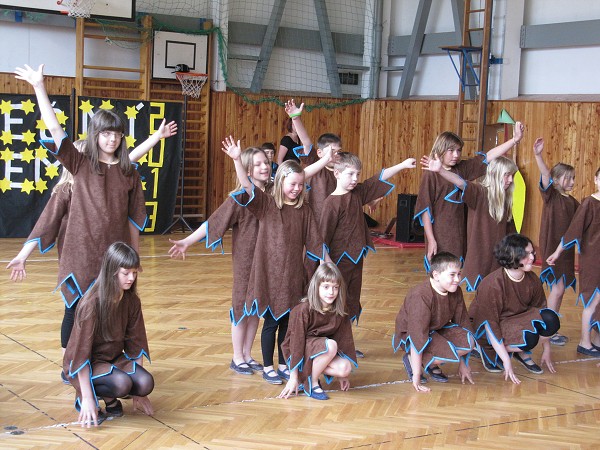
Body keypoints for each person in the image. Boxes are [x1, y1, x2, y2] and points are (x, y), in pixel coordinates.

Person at [13, 64, 147, 382]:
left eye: (117, 133)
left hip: (112, 259)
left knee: (107, 314)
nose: (112, 139)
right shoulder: (80, 165)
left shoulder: (128, 172)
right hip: (79, 256)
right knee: (75, 310)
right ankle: (69, 364)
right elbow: (57, 131)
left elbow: (133, 221)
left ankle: (98, 362)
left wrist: (134, 259)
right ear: (95, 135)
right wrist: (39, 86)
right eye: (105, 133)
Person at [7, 120, 177, 284]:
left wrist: (156, 137)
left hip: (109, 254)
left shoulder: (113, 175)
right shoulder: (67, 189)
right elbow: (46, 222)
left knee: (108, 303)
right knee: (76, 307)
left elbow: (129, 160)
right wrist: (23, 255)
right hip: (79, 257)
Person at [223, 136, 331, 385]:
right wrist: (238, 159)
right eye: (291, 184)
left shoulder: (304, 210)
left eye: (300, 185)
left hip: (293, 276)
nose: (296, 188)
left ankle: (283, 362)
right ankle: (268, 365)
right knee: (271, 323)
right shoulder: (268, 205)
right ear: (281, 182)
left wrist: (326, 263)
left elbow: (315, 241)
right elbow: (248, 188)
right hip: (271, 277)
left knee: (287, 322)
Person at [168, 147, 272, 376]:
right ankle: (237, 357)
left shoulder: (274, 193)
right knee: (241, 308)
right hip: (246, 261)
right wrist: (187, 241)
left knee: (256, 309)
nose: (264, 167)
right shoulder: (239, 199)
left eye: (265, 162)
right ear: (246, 169)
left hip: (267, 261)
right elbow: (213, 223)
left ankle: (247, 354)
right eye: (257, 164)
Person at [320, 152, 416, 356]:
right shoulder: (331, 203)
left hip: (355, 261)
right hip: (338, 263)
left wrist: (401, 164)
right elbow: (321, 239)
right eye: (350, 174)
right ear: (337, 173)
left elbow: (377, 179)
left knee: (351, 300)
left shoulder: (357, 194)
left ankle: (345, 343)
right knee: (336, 302)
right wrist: (327, 266)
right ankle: (332, 346)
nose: (355, 179)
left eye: (357, 174)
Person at [64, 242, 153, 428]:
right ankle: (103, 399)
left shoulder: (132, 301)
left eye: (134, 273)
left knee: (145, 383)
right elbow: (80, 356)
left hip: (114, 359)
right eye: (126, 273)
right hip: (89, 363)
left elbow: (136, 343)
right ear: (112, 271)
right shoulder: (91, 304)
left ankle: (113, 396)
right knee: (121, 384)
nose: (131, 278)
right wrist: (87, 397)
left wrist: (139, 391)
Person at [414, 124, 524, 271]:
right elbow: (425, 209)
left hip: (460, 232)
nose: (456, 155)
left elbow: (488, 157)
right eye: (451, 150)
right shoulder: (430, 175)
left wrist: (514, 140)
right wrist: (431, 239)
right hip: (440, 232)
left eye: (458, 150)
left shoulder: (462, 168)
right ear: (440, 149)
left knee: (456, 271)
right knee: (441, 271)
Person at [469, 234, 559, 383]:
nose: (532, 257)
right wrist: (506, 361)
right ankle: (486, 348)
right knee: (530, 338)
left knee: (551, 319)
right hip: (490, 328)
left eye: (532, 252)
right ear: (512, 256)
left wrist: (547, 349)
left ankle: (518, 349)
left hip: (518, 320)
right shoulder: (492, 284)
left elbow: (541, 310)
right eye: (526, 254)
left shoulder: (532, 279)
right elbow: (489, 324)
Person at [422, 155, 518, 291]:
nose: (510, 180)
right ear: (495, 174)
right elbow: (461, 183)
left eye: (512, 176)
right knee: (484, 295)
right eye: (507, 175)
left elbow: (511, 234)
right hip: (480, 259)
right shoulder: (479, 193)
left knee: (496, 295)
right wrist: (441, 171)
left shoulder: (505, 200)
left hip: (498, 258)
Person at [392, 252, 476, 392]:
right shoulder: (420, 295)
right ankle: (411, 359)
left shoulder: (456, 292)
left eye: (459, 274)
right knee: (439, 350)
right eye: (452, 274)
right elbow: (417, 335)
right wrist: (417, 376)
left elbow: (463, 324)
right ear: (436, 275)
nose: (457, 279)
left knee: (469, 341)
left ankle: (429, 362)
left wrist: (464, 363)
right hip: (411, 334)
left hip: (437, 328)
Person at [278, 263, 357, 400]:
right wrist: (293, 377)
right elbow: (296, 343)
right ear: (317, 287)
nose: (331, 292)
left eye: (335, 288)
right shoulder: (303, 310)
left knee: (345, 368)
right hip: (301, 348)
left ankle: (306, 374)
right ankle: (312, 383)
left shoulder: (340, 310)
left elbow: (344, 339)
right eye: (326, 287)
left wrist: (341, 377)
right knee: (330, 345)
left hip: (322, 349)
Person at [547, 167, 600, 357]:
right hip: (590, 260)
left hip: (588, 258)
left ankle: (595, 340)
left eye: (573, 178)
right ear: (595, 179)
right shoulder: (588, 203)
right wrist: (557, 252)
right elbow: (573, 231)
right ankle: (583, 342)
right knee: (591, 301)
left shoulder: (579, 202)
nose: (571, 181)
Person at [532, 137, 579, 346]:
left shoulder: (573, 202)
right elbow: (544, 174)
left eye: (573, 178)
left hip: (566, 252)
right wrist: (538, 155)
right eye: (567, 178)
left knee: (559, 290)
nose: (571, 182)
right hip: (553, 248)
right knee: (557, 290)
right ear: (557, 179)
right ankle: (547, 331)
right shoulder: (551, 195)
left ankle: (552, 328)